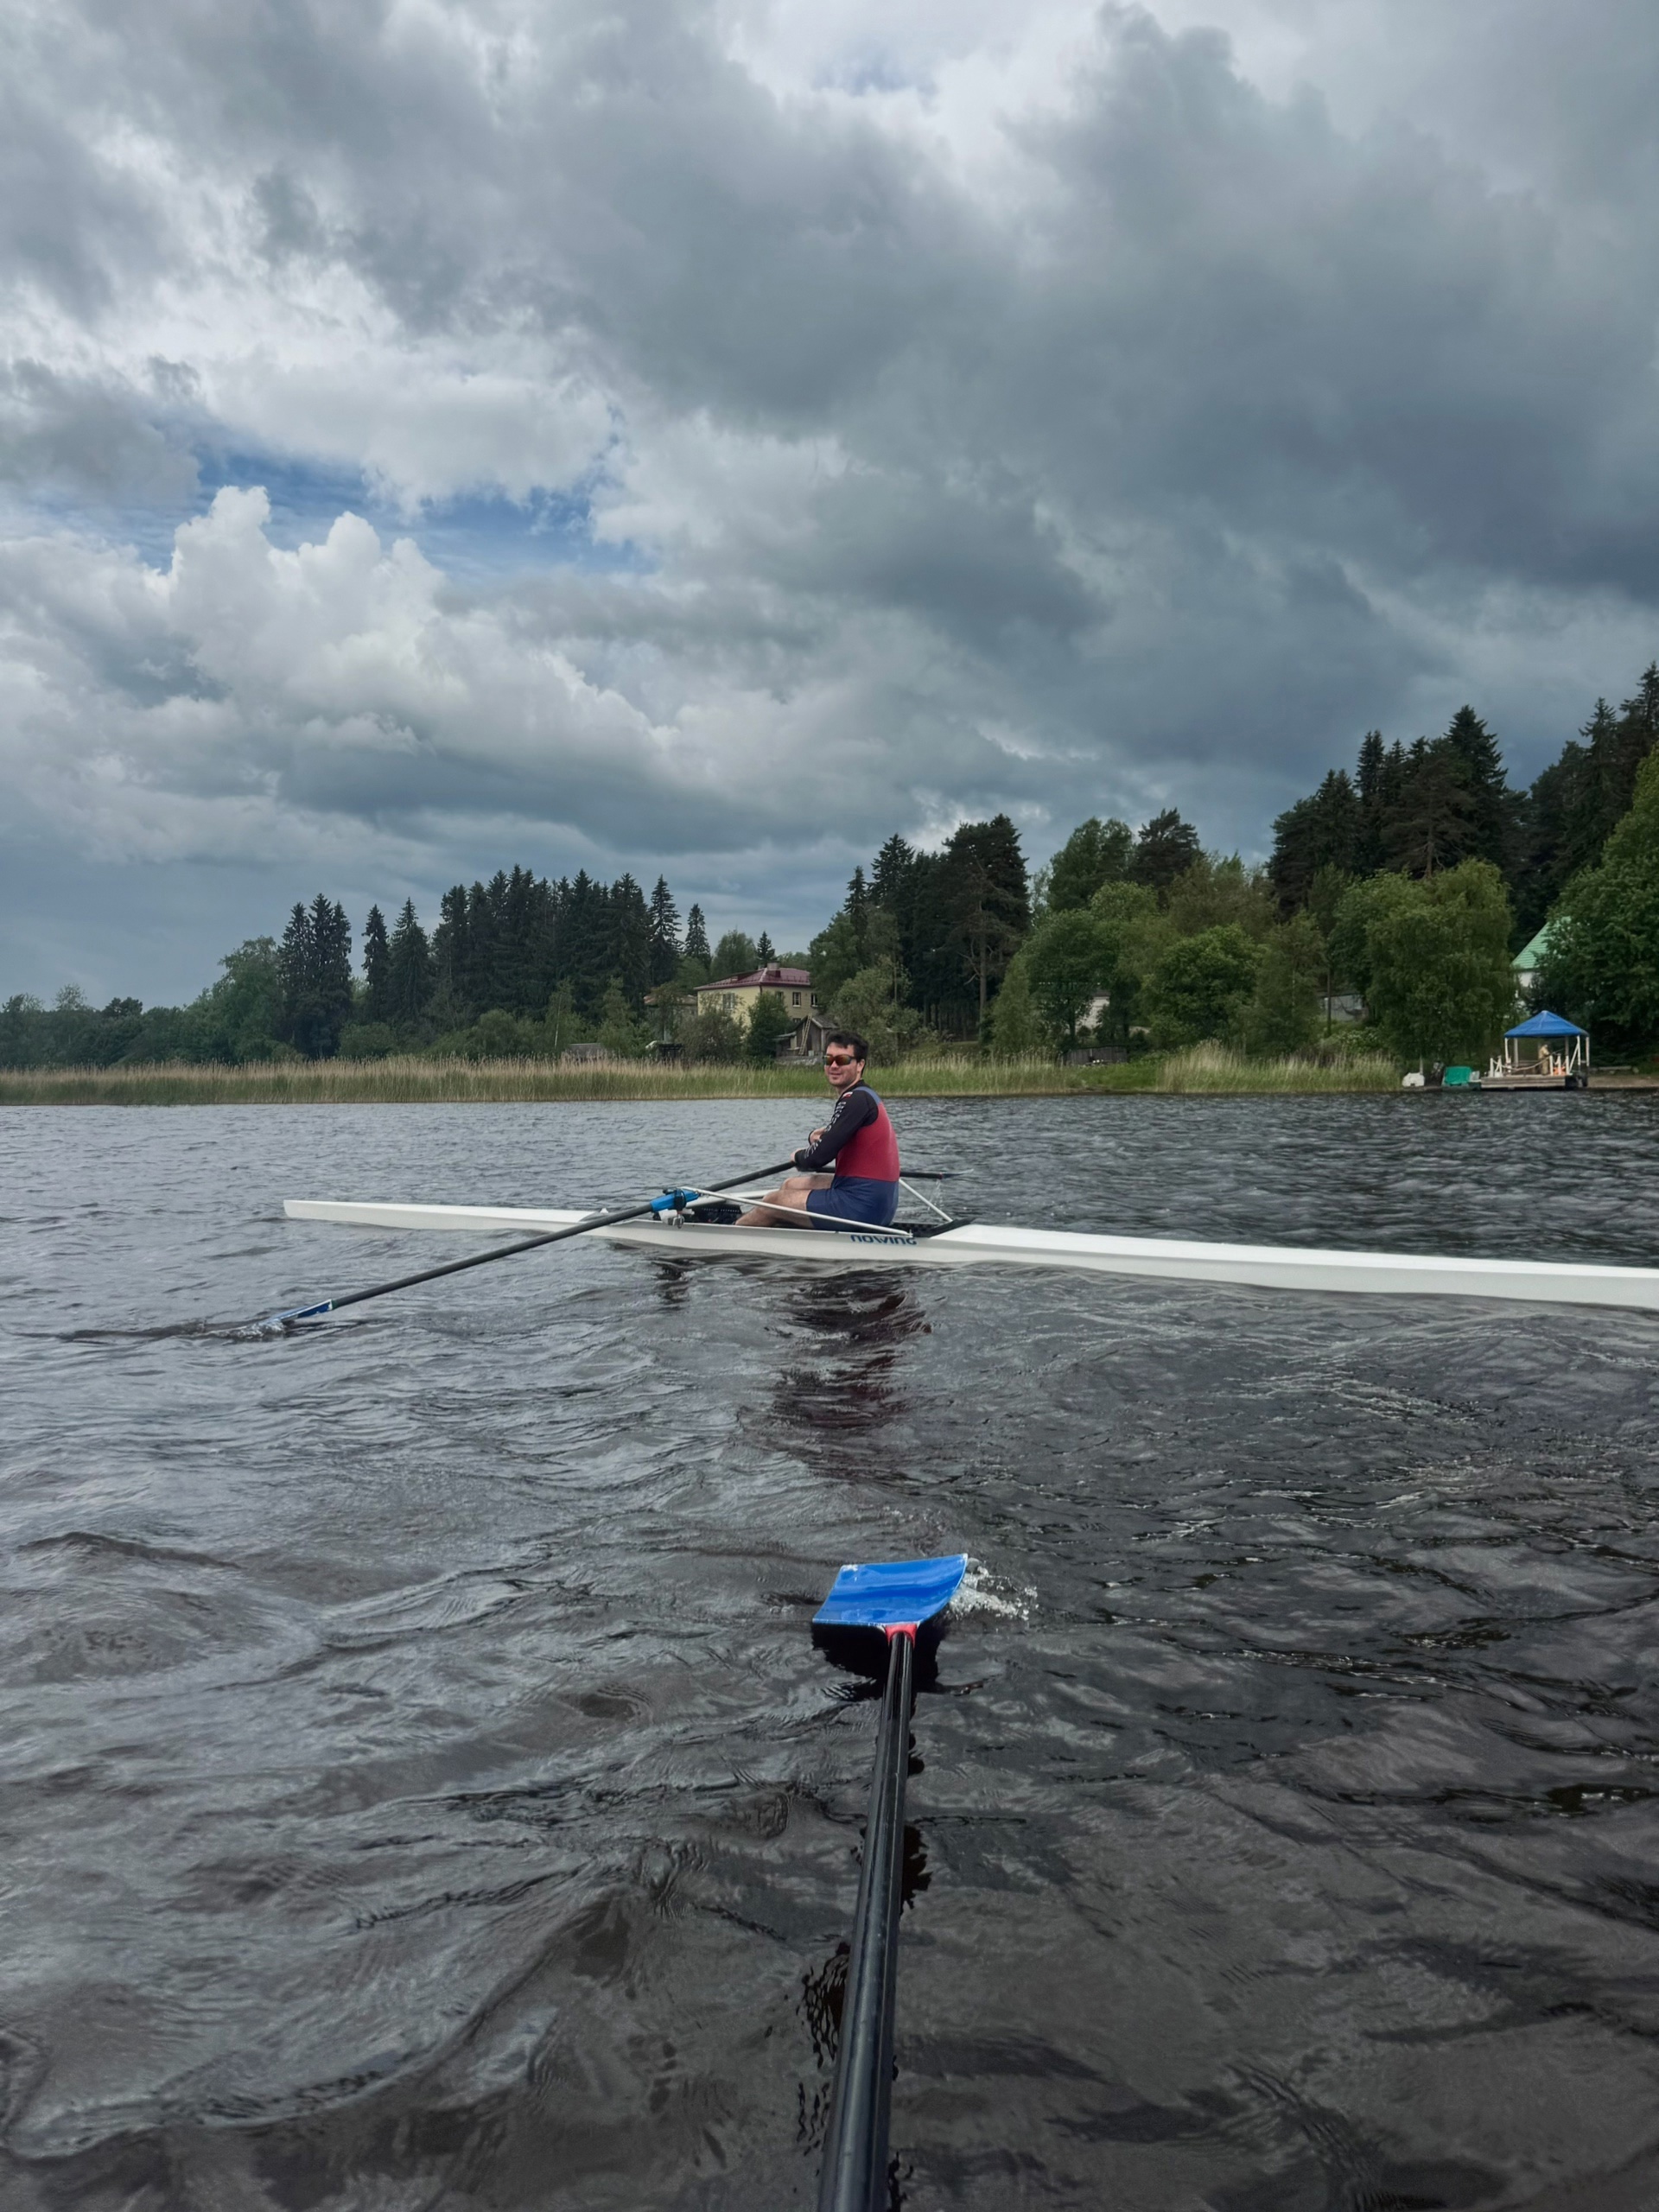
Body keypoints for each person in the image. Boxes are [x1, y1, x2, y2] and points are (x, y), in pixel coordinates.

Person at [736, 1032, 901, 1230]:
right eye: (828, 1059)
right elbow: (836, 1139)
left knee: (772, 1203)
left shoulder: (855, 1100)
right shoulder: (864, 1095)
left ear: (860, 1065)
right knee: (790, 1185)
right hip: (877, 1200)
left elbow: (817, 1158)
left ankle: (732, 1234)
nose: (834, 1066)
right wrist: (818, 1139)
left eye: (842, 1060)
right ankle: (783, 1231)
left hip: (863, 1207)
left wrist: (798, 1156)